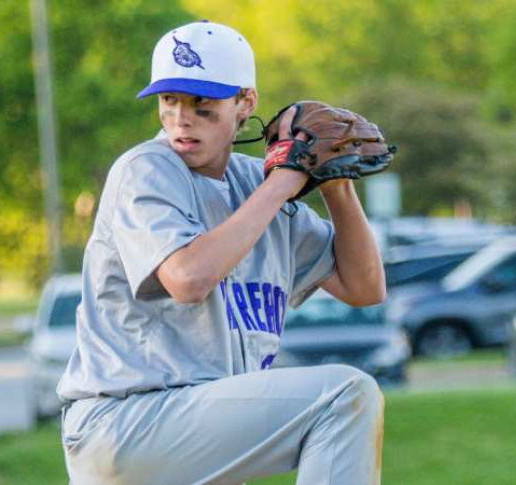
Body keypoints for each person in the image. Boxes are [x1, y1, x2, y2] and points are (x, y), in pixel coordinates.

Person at [57, 20, 387, 485]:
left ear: (245, 103)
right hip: (127, 421)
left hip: (196, 434)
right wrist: (285, 181)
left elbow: (365, 287)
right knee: (345, 396)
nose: (181, 119)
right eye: (169, 100)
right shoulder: (147, 170)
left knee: (344, 403)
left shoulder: (257, 184)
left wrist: (336, 186)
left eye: (202, 104)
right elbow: (187, 278)